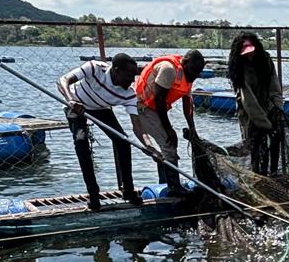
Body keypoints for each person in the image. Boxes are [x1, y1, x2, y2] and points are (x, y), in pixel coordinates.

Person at [56, 52, 150, 208]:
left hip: (101, 108)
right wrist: (71, 99)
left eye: (134, 76)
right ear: (116, 71)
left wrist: (149, 146)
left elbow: (137, 126)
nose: (132, 80)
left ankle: (128, 190)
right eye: (128, 76)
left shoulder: (129, 95)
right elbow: (62, 81)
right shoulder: (94, 68)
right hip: (77, 105)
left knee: (123, 141)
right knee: (81, 143)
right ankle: (93, 195)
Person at [134, 48, 214, 195]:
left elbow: (187, 104)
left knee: (169, 143)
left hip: (156, 108)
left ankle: (165, 183)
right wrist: (169, 128)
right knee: (168, 142)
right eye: (193, 71)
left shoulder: (188, 76)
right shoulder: (169, 70)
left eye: (198, 72)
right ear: (184, 63)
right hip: (143, 107)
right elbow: (159, 100)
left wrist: (192, 129)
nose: (195, 75)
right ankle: (173, 187)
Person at [226, 32, 287, 177]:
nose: (249, 56)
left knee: (275, 141)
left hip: (268, 105)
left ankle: (273, 174)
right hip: (249, 114)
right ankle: (258, 176)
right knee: (256, 146)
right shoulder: (239, 66)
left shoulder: (265, 60)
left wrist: (278, 109)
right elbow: (248, 101)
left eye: (251, 52)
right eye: (246, 53)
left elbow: (274, 87)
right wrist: (264, 124)